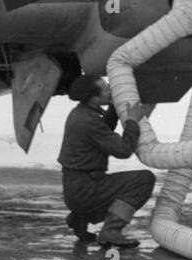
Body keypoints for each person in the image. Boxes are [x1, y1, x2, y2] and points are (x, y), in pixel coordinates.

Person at [57, 74, 155, 248]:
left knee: (115, 190)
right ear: (94, 98)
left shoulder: (82, 113)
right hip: (85, 190)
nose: (111, 89)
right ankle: (111, 231)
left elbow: (103, 131)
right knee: (143, 180)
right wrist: (132, 121)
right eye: (106, 89)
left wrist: (114, 109)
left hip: (77, 188)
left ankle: (80, 218)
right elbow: (124, 150)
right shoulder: (88, 121)